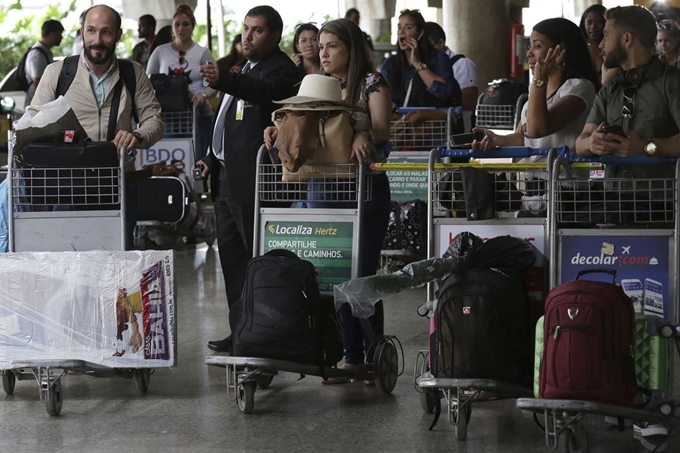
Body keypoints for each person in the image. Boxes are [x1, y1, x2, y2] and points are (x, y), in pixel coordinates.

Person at [265, 18, 392, 382]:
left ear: (351, 48)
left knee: (361, 275)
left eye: (332, 46)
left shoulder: (371, 82)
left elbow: (383, 127)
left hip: (364, 189)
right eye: (320, 46)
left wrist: (360, 131)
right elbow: (302, 128)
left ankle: (371, 352)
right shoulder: (316, 86)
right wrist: (279, 129)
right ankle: (348, 354)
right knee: (333, 273)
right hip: (321, 190)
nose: (323, 52)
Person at [197, 5, 302, 352]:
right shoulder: (246, 67)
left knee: (257, 260)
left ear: (274, 36)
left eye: (256, 30)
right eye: (245, 29)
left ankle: (263, 332)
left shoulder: (281, 71)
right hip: (227, 179)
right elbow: (230, 121)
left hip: (257, 182)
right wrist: (213, 157)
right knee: (232, 262)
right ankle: (240, 331)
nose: (247, 35)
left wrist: (224, 78)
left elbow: (259, 92)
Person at [30, 4, 165, 249]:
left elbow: (154, 120)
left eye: (106, 32)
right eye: (91, 31)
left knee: (116, 266)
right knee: (69, 265)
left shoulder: (133, 74)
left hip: (118, 186)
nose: (97, 40)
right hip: (67, 187)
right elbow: (33, 122)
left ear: (118, 35)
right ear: (82, 33)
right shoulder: (58, 73)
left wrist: (136, 135)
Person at [575, 6, 680, 185]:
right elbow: (581, 142)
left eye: (606, 36)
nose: (601, 44)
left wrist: (645, 146)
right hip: (612, 199)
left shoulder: (671, 82)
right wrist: (592, 143)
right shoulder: (611, 88)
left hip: (659, 204)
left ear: (627, 39)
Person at [473, 18, 597, 160]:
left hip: (562, 179)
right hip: (534, 177)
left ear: (559, 50)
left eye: (537, 46)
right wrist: (498, 139)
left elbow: (537, 129)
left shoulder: (578, 87)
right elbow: (523, 137)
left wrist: (539, 78)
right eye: (530, 46)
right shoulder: (539, 88)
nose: (529, 53)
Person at [147, 4, 217, 162]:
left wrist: (203, 95)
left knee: (196, 161)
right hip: (168, 115)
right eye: (177, 24)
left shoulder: (202, 53)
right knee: (170, 161)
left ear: (193, 27)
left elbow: (214, 82)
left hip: (198, 115)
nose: (181, 28)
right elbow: (148, 82)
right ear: (172, 27)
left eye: (185, 24)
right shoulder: (160, 52)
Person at [380, 9, 459, 109]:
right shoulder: (390, 64)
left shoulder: (438, 58)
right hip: (399, 122)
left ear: (420, 33)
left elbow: (444, 92)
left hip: (431, 122)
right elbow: (381, 95)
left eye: (408, 27)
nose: (402, 32)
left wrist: (417, 63)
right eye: (399, 27)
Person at [424, 22, 478, 112]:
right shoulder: (421, 67)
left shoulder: (462, 64)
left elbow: (469, 102)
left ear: (441, 43)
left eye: (428, 48)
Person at [24, 19, 64, 106]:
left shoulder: (44, 52)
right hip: (36, 104)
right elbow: (38, 82)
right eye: (60, 34)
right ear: (52, 34)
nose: (61, 37)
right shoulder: (37, 54)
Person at [579, 4, 607, 87]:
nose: (593, 27)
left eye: (599, 22)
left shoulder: (612, 48)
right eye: (589, 22)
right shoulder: (579, 48)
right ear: (584, 23)